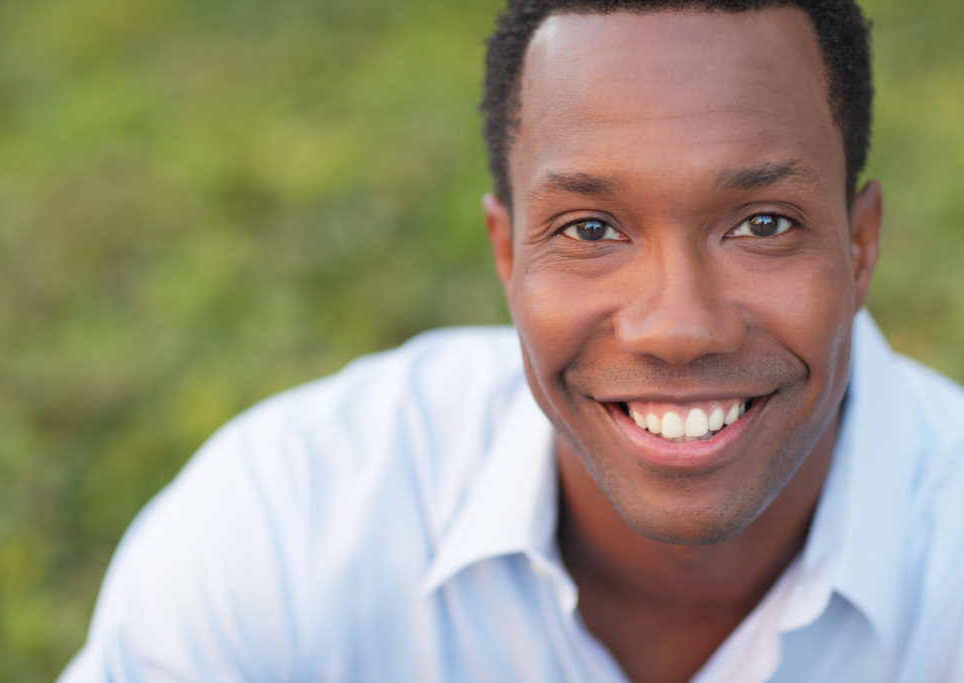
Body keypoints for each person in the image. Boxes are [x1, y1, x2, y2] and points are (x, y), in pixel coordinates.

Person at [62, 0, 964, 681]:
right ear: (506, 251)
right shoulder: (287, 528)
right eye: (590, 230)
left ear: (860, 245)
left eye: (763, 222)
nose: (679, 326)